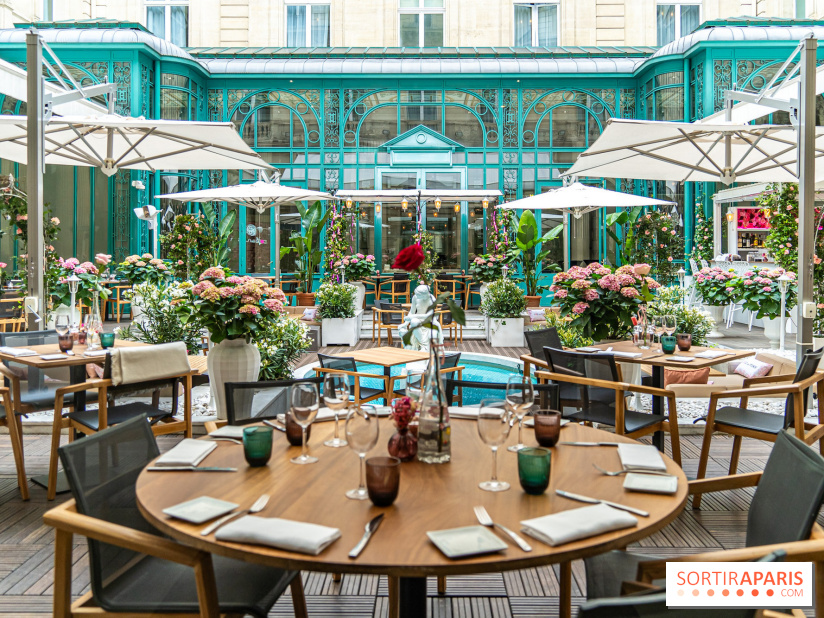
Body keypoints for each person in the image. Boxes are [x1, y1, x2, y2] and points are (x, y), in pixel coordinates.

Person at [398, 284, 443, 352]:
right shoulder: (415, 297)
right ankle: (423, 345)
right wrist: (405, 324)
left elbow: (428, 315)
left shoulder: (432, 299)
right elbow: (412, 311)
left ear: (424, 295)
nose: (416, 296)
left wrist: (412, 316)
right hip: (418, 319)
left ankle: (425, 347)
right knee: (413, 322)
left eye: (418, 295)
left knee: (432, 333)